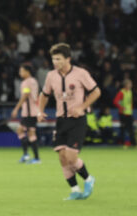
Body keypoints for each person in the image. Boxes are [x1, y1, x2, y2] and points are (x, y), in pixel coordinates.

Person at [37, 44, 100, 200]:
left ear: (68, 59)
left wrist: (82, 107)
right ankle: (75, 190)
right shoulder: (51, 75)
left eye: (58, 59)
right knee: (62, 157)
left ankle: (88, 179)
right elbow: (44, 94)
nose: (55, 62)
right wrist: (40, 110)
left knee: (71, 158)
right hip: (61, 120)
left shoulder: (80, 73)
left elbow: (96, 91)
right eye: (53, 59)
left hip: (77, 120)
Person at [10, 63, 41, 163]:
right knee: (23, 130)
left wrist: (16, 108)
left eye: (21, 71)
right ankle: (27, 155)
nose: (20, 73)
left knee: (29, 132)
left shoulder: (27, 82)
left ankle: (35, 158)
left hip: (29, 112)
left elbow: (25, 95)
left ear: (27, 72)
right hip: (31, 111)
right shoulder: (34, 81)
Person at [113, 78, 135, 147]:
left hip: (129, 113)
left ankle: (132, 143)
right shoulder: (121, 92)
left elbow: (130, 102)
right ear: (126, 85)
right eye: (129, 83)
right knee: (123, 129)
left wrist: (131, 109)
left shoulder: (130, 92)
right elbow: (115, 101)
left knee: (130, 129)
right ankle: (122, 143)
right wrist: (121, 108)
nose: (131, 85)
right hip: (123, 113)